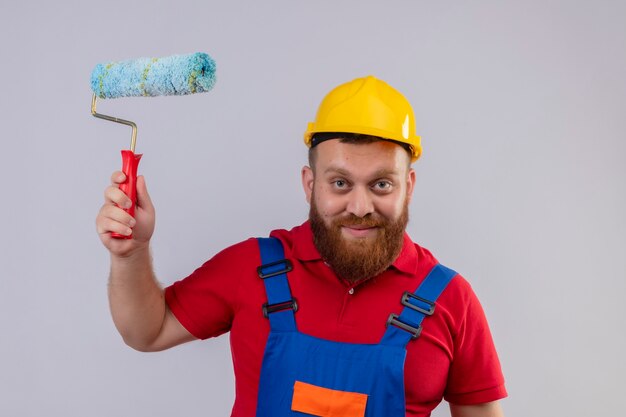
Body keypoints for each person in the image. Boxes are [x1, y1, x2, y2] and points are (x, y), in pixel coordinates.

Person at [96, 76, 507, 417]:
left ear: (408, 188)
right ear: (311, 184)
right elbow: (145, 332)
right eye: (340, 183)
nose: (360, 207)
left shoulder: (450, 301)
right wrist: (130, 253)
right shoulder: (252, 268)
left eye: (381, 184)